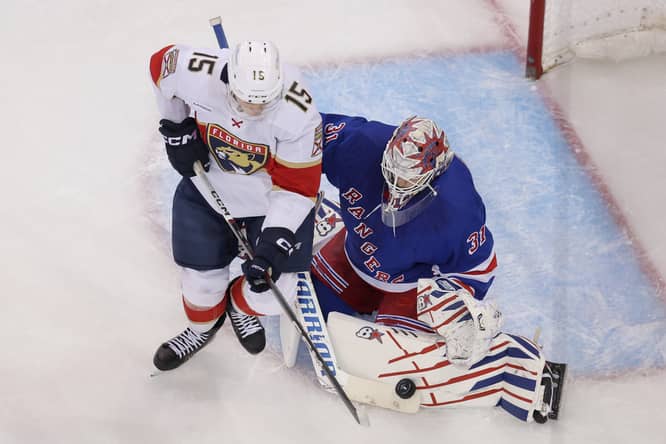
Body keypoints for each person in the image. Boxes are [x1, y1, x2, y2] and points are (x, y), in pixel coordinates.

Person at [148, 40, 322, 371]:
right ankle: (202, 329)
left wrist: (271, 247)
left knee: (275, 293)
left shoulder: (298, 113)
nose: (255, 110)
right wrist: (177, 129)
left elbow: (298, 188)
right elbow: (160, 66)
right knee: (200, 287)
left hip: (267, 201)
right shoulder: (199, 73)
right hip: (208, 187)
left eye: (263, 102)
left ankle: (240, 307)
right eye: (248, 101)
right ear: (230, 82)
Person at [310, 113, 497, 332]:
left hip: (411, 286)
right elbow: (304, 130)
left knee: (388, 343)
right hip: (355, 256)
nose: (396, 185)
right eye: (392, 172)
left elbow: (479, 267)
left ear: (434, 174)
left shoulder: (458, 204)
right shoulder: (362, 143)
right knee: (314, 302)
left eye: (407, 179)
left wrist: (448, 307)